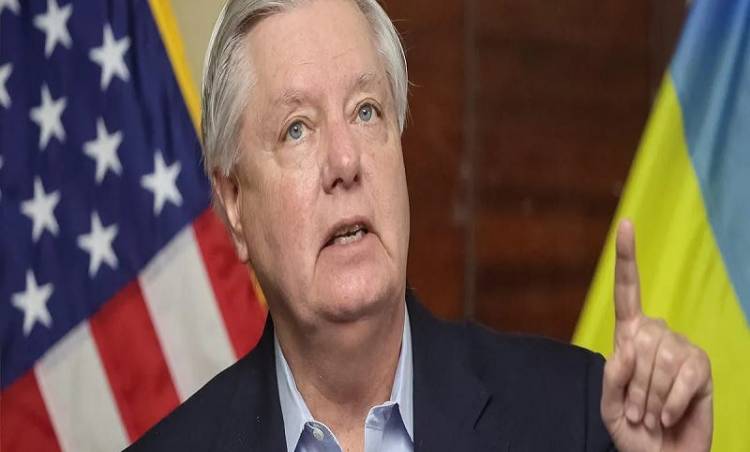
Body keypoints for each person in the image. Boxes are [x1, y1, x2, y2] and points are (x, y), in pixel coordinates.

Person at [127, 0, 713, 450]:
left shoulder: (576, 418)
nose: (345, 162)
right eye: (296, 129)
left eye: (366, 112)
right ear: (234, 202)